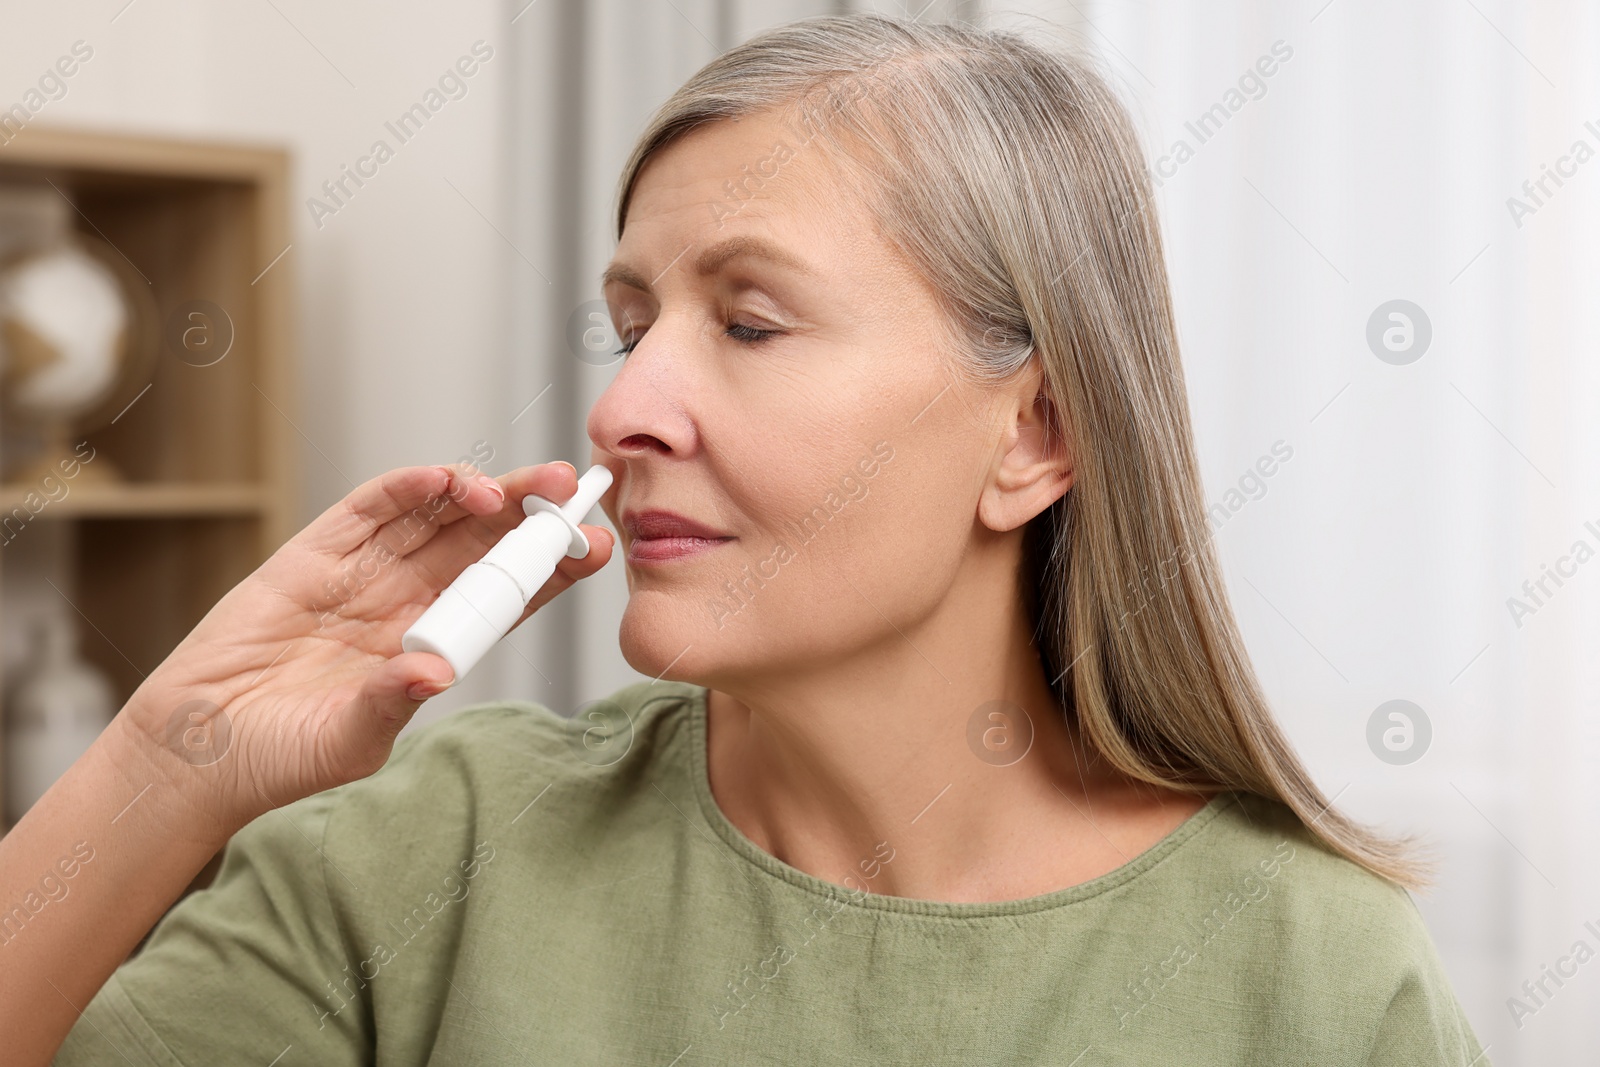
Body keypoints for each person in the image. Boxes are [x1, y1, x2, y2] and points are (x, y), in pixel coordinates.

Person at [5, 13, 1486, 1065]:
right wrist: (163, 768)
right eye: (632, 325)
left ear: (1034, 434)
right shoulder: (427, 857)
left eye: (753, 322)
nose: (625, 407)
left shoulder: (1313, 974)